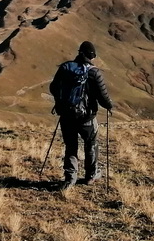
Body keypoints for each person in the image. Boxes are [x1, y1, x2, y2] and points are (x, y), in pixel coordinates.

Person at [49, 41, 114, 190]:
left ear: (79, 53)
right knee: (91, 144)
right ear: (92, 56)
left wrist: (61, 102)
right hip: (87, 118)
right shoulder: (94, 72)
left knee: (71, 146)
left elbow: (53, 88)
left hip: (66, 116)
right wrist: (110, 106)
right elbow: (103, 96)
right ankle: (91, 176)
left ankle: (70, 178)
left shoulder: (65, 68)